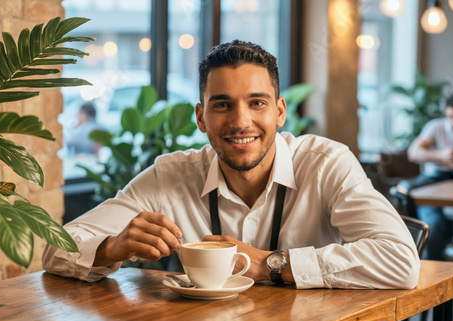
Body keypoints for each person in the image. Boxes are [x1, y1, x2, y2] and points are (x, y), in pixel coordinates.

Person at [43, 40, 420, 290]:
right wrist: (112, 247)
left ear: (280, 111)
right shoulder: (170, 175)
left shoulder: (326, 164)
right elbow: (54, 249)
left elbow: (401, 260)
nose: (240, 121)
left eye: (257, 102)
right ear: (201, 118)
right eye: (222, 104)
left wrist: (271, 265)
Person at [406, 93, 453, 260]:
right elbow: (413, 153)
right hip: (433, 189)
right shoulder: (436, 127)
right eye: (450, 117)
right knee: (434, 227)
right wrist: (441, 156)